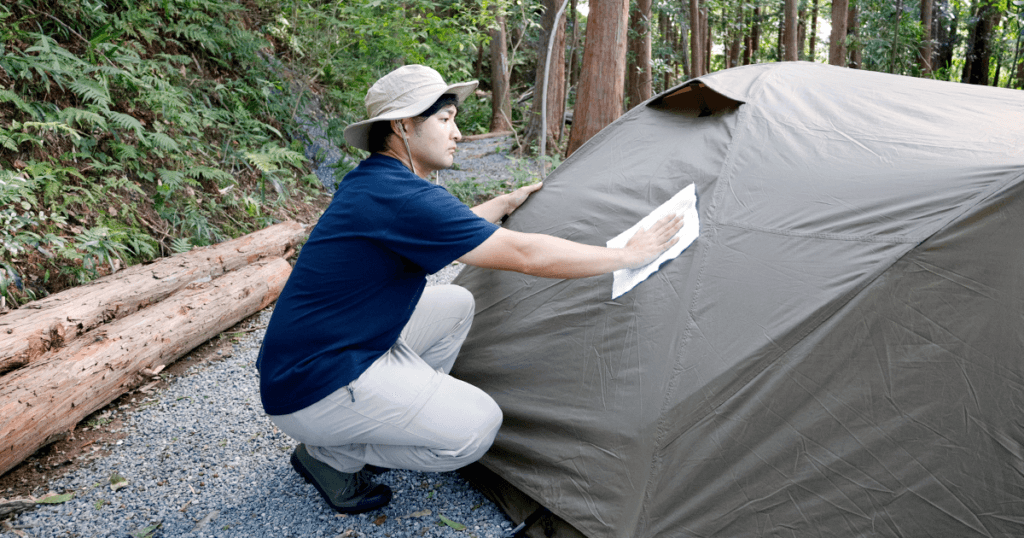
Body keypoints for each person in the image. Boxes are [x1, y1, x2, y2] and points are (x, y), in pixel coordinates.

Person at [256, 65, 684, 514]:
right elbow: (526, 256)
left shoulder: (377, 181)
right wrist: (627, 255)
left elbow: (443, 230)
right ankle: (330, 455)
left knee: (456, 303)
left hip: (316, 356)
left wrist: (500, 203)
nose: (457, 133)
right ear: (403, 126)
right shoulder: (401, 197)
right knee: (477, 429)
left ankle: (400, 411)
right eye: (444, 120)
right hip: (314, 384)